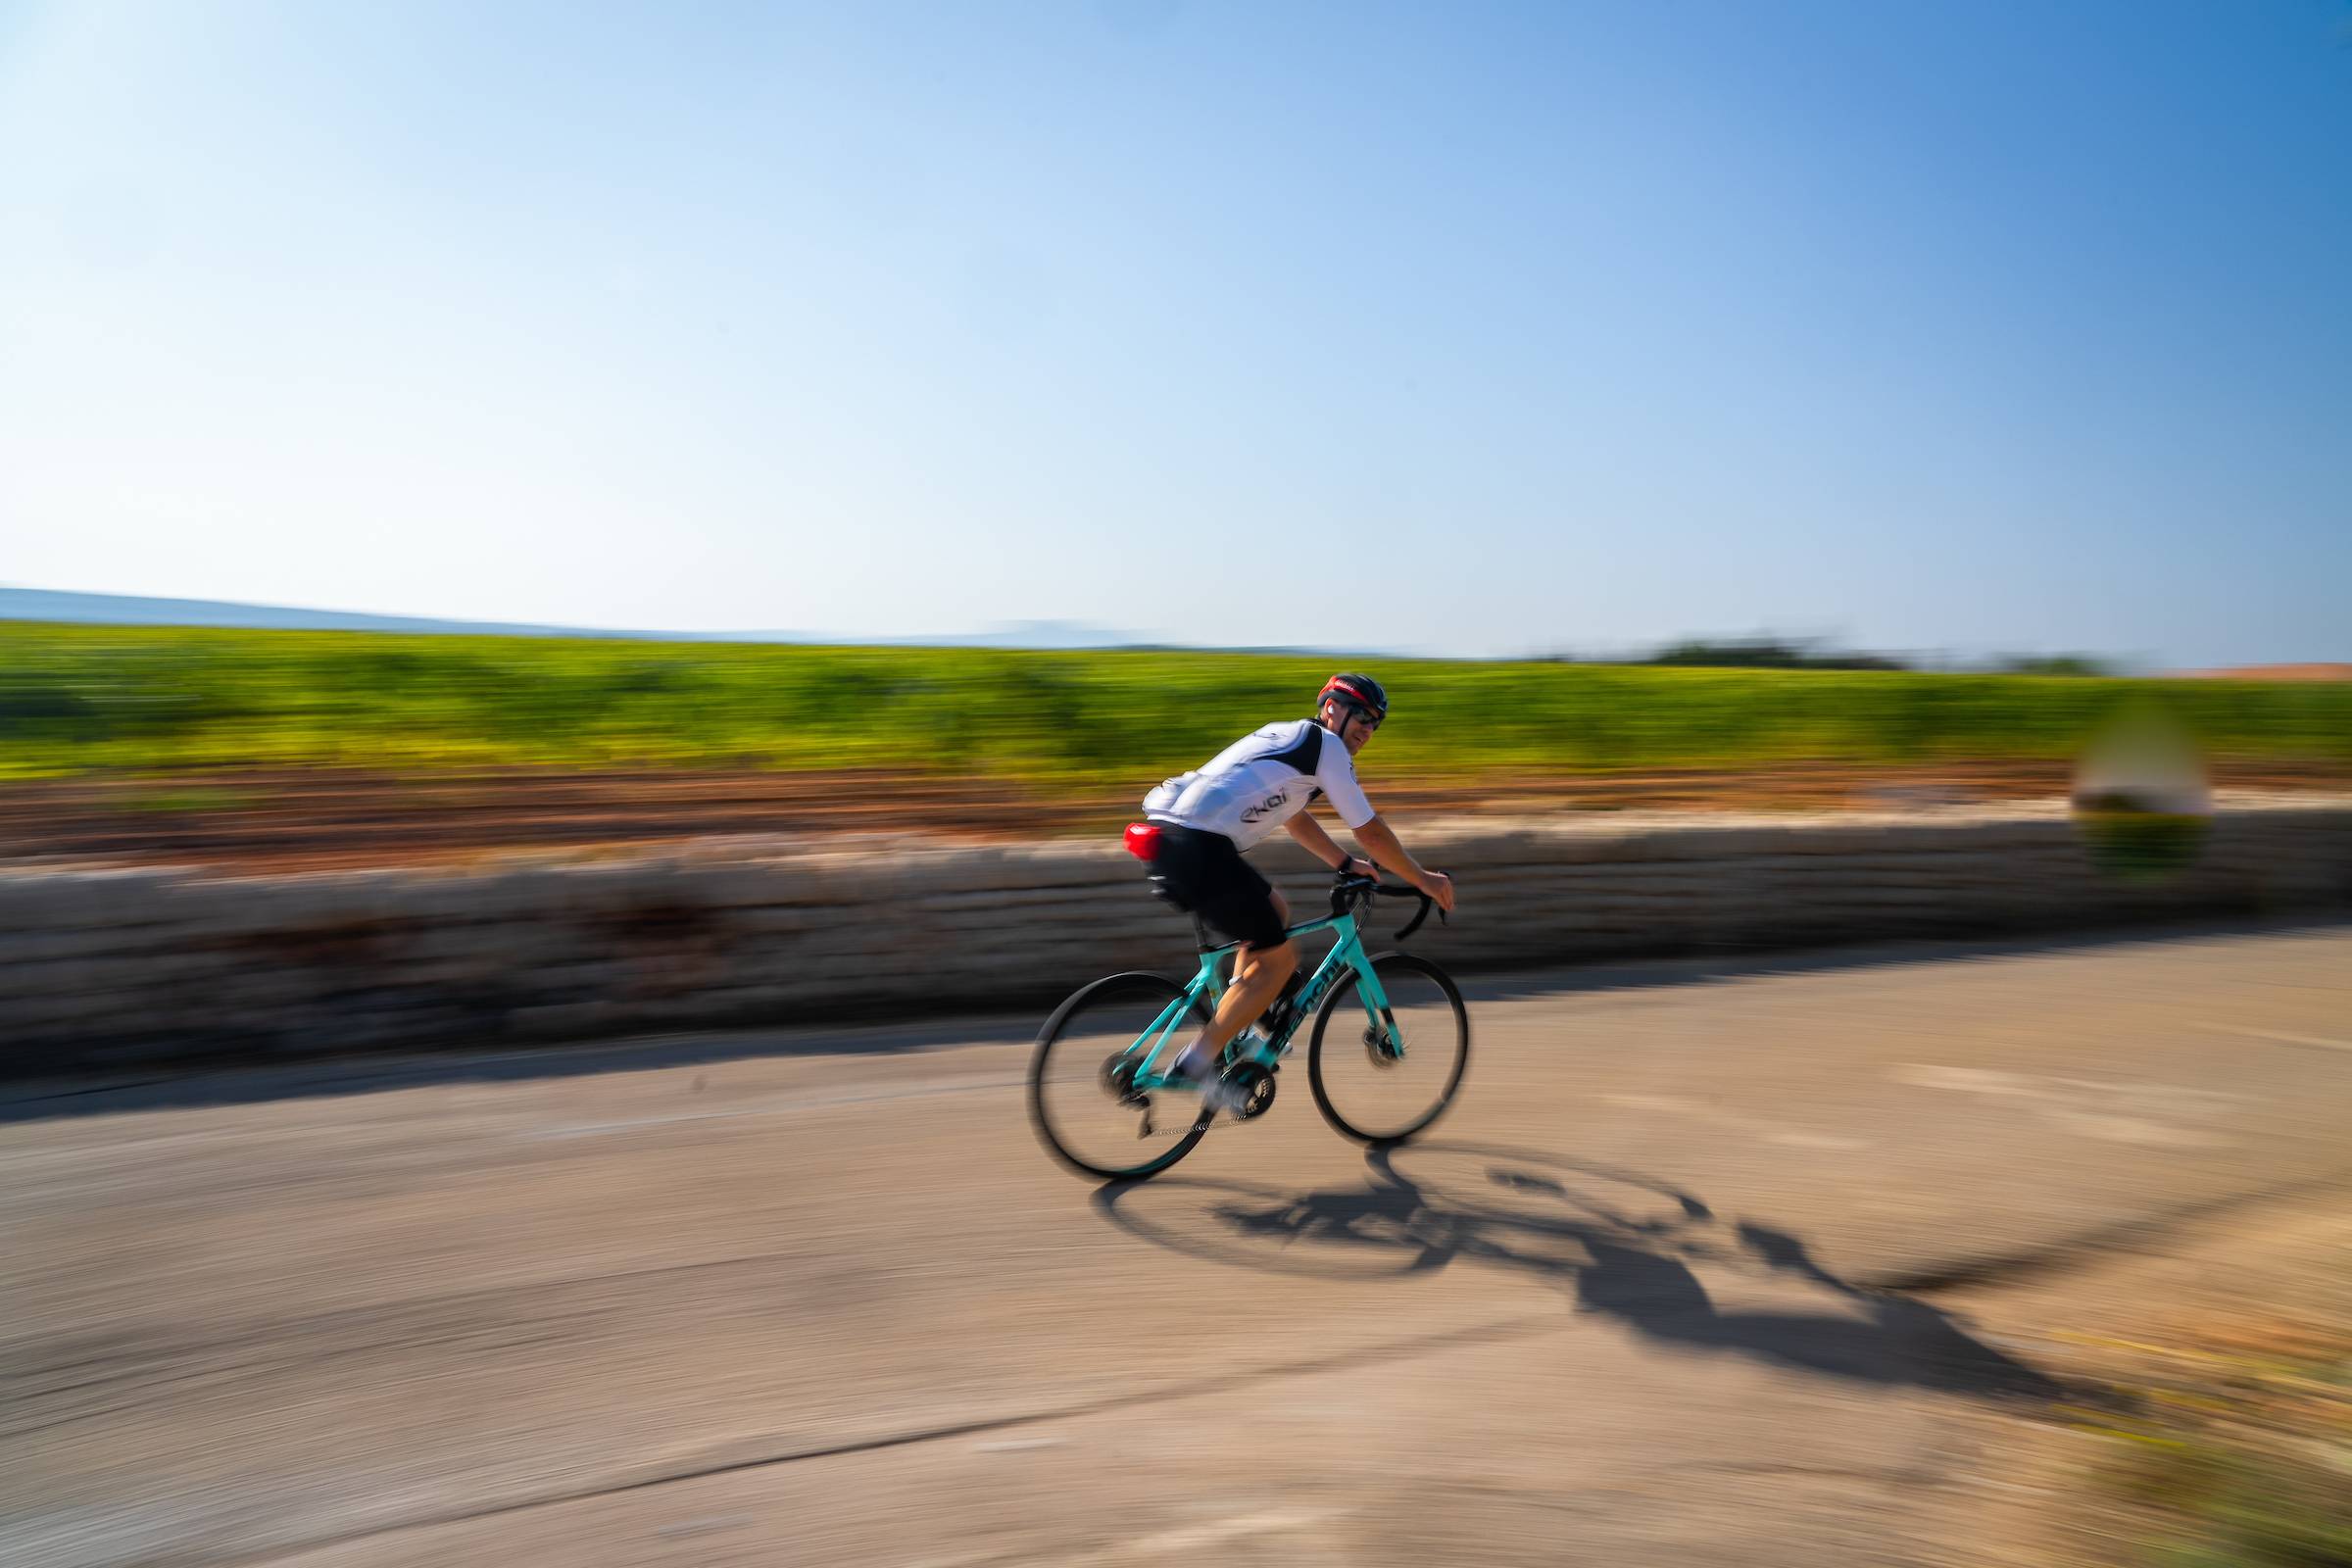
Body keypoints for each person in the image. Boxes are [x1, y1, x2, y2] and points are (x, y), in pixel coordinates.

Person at [1139, 673, 1455, 1110]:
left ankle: (1242, 1027)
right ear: (1331, 708)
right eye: (1361, 714)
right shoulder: (1327, 748)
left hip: (1179, 838)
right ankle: (1196, 1062)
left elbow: (1294, 816)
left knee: (1274, 910)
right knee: (1281, 960)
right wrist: (1423, 878)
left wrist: (1343, 863)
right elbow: (1372, 833)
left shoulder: (1296, 742)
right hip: (1200, 847)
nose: (1368, 728)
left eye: (1376, 722)